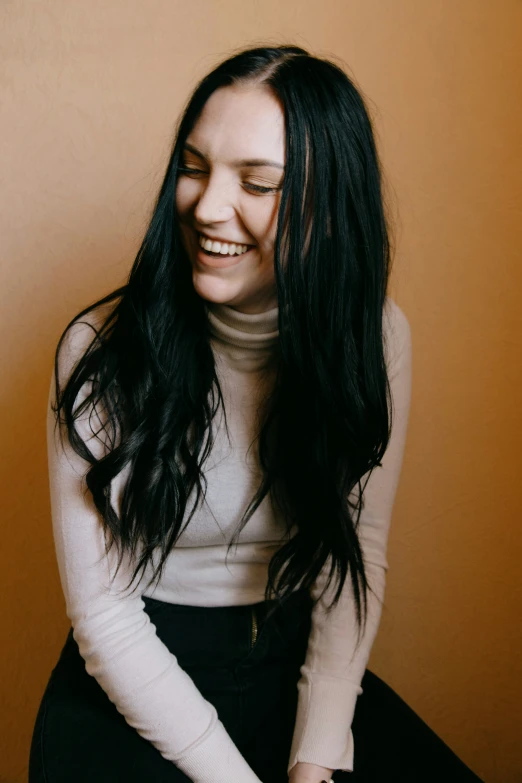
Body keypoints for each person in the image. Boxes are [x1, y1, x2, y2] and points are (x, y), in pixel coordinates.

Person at [29, 44, 484, 783]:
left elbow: (355, 552)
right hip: (133, 672)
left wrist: (315, 756)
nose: (207, 206)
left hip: (289, 662)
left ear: (329, 206)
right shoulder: (99, 352)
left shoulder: (376, 337)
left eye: (258, 182)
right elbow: (105, 615)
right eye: (194, 165)